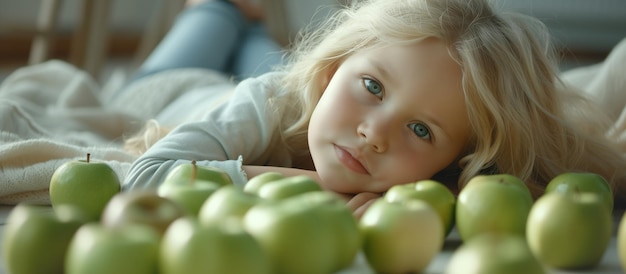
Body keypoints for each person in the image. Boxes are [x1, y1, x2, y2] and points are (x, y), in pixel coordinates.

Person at [123, 0, 626, 215]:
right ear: (330, 71)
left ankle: (252, 26)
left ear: (453, 165)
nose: (375, 133)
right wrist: (311, 184)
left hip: (271, 69)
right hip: (177, 85)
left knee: (263, 49)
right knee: (219, 17)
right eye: (372, 86)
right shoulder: (268, 99)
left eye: (422, 131)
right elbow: (142, 179)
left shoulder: (430, 196)